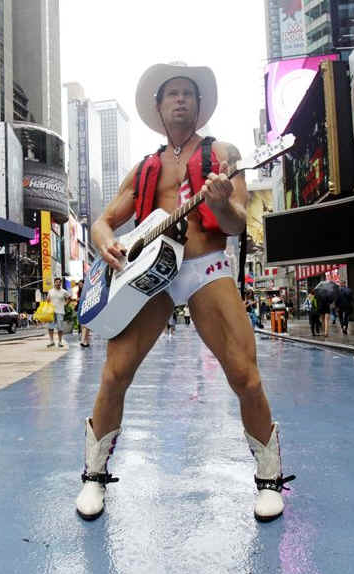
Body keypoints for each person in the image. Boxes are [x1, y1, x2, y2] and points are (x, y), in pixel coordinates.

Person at [75, 63, 293, 524]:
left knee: (246, 377)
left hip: (206, 267)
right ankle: (94, 476)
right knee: (114, 374)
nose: (180, 100)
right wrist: (105, 242)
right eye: (172, 93)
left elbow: (235, 224)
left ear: (199, 105)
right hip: (151, 275)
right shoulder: (145, 167)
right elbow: (103, 221)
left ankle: (269, 479)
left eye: (187, 94)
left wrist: (220, 202)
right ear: (158, 107)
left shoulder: (224, 154)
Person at [47, 277, 69, 348]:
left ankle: (60, 342)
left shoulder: (64, 291)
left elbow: (68, 298)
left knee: (60, 328)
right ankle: (51, 341)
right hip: (51, 312)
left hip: (60, 311)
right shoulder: (50, 291)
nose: (58, 283)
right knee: (50, 327)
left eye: (59, 282)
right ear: (54, 283)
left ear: (61, 283)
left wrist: (65, 304)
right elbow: (48, 300)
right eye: (56, 282)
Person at [75, 280, 92, 347]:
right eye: (79, 285)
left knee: (86, 326)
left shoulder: (88, 290)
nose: (80, 285)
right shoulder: (79, 291)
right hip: (81, 309)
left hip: (87, 308)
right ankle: (84, 341)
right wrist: (78, 299)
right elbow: (78, 299)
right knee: (83, 326)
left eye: (81, 284)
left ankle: (84, 341)